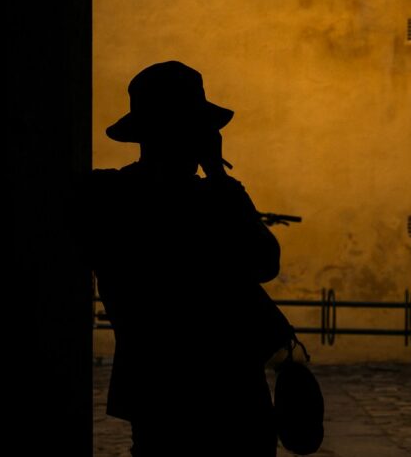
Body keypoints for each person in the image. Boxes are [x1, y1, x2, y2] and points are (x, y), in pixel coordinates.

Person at [84, 61, 283, 456]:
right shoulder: (213, 199)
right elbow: (265, 261)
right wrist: (217, 175)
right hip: (229, 391)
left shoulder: (108, 196)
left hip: (155, 393)